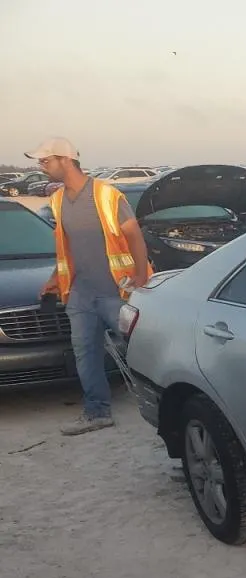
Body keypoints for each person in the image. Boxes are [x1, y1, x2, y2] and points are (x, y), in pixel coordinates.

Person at [27, 137, 152, 436]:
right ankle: (97, 412)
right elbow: (66, 249)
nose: (42, 167)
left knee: (145, 350)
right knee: (85, 352)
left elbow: (133, 234)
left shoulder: (106, 195)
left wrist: (142, 276)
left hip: (118, 290)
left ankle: (166, 413)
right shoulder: (57, 201)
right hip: (81, 294)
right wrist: (55, 280)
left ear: (66, 160)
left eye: (46, 161)